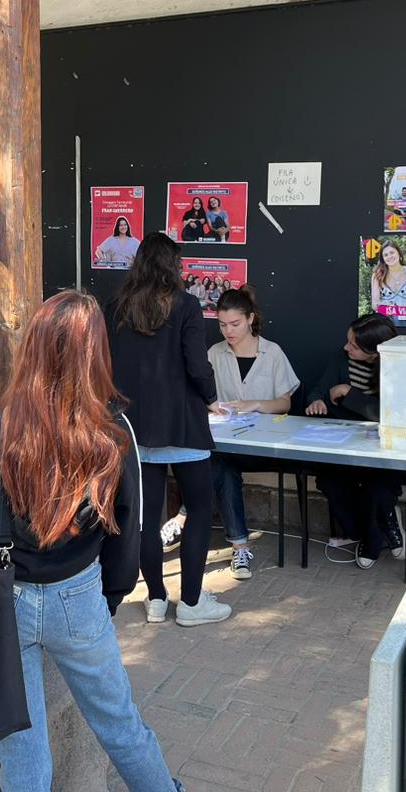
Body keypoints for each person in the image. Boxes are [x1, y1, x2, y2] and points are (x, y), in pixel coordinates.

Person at [0, 292, 186, 792]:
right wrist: (111, 596)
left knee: (22, 753)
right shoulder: (113, 431)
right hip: (79, 594)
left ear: (32, 348)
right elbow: (128, 528)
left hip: (2, 598)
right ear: (97, 355)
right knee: (121, 724)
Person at [106, 232, 232, 626]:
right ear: (172, 266)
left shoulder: (116, 306)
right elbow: (197, 363)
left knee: (145, 518)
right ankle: (192, 603)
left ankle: (156, 598)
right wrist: (212, 398)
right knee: (199, 510)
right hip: (182, 423)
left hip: (132, 425)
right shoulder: (186, 304)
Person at [161, 287, 298, 580]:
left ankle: (182, 517)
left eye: (235, 324)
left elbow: (285, 403)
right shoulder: (214, 353)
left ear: (250, 319)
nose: (228, 331)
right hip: (224, 444)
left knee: (219, 465)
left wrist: (256, 404)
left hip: (262, 446)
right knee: (223, 467)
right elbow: (200, 396)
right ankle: (240, 548)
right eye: (222, 325)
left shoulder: (272, 353)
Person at [304, 313, 404, 569]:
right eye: (348, 340)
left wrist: (349, 393)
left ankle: (371, 544)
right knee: (329, 482)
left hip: (382, 449)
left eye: (355, 346)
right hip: (342, 443)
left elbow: (392, 414)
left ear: (374, 353)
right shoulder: (341, 358)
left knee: (377, 487)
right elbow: (319, 390)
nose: (346, 347)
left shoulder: (398, 368)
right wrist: (316, 401)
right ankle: (382, 526)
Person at [370, 239, 406, 318]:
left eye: (392, 252)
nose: (389, 257)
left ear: (399, 253)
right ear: (383, 259)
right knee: (393, 317)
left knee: (397, 317)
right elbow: (375, 305)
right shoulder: (377, 276)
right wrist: (386, 306)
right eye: (386, 255)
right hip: (387, 316)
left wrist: (402, 308)